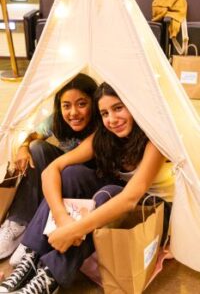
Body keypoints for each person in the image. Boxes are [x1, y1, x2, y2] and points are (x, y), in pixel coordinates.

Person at [0, 82, 174, 294]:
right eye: (105, 113)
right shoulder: (105, 135)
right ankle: (31, 258)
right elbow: (51, 170)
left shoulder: (154, 140)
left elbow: (130, 197)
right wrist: (62, 218)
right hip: (120, 194)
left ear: (134, 106)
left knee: (108, 192)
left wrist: (75, 229)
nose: (112, 119)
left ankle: (49, 278)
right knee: (72, 174)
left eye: (118, 108)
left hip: (154, 207)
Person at [0, 73, 98, 261]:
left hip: (89, 181)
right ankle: (19, 223)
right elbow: (33, 136)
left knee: (70, 171)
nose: (73, 113)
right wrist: (23, 147)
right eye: (66, 105)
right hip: (64, 171)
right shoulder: (58, 120)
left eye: (81, 104)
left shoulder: (101, 126)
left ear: (93, 103)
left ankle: (36, 234)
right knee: (37, 149)